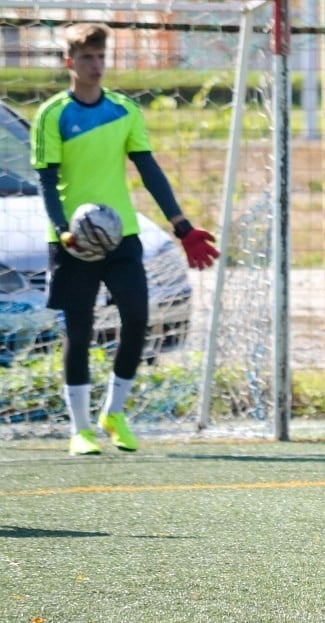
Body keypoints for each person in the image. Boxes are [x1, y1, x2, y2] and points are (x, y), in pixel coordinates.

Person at [31, 23, 220, 456]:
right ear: (69, 63)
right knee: (78, 332)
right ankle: (80, 429)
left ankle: (114, 413)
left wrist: (181, 224)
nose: (96, 66)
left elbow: (149, 171)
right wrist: (63, 231)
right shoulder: (53, 114)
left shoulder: (124, 110)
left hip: (122, 236)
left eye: (100, 57)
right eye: (86, 59)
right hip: (72, 242)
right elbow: (46, 181)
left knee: (137, 318)